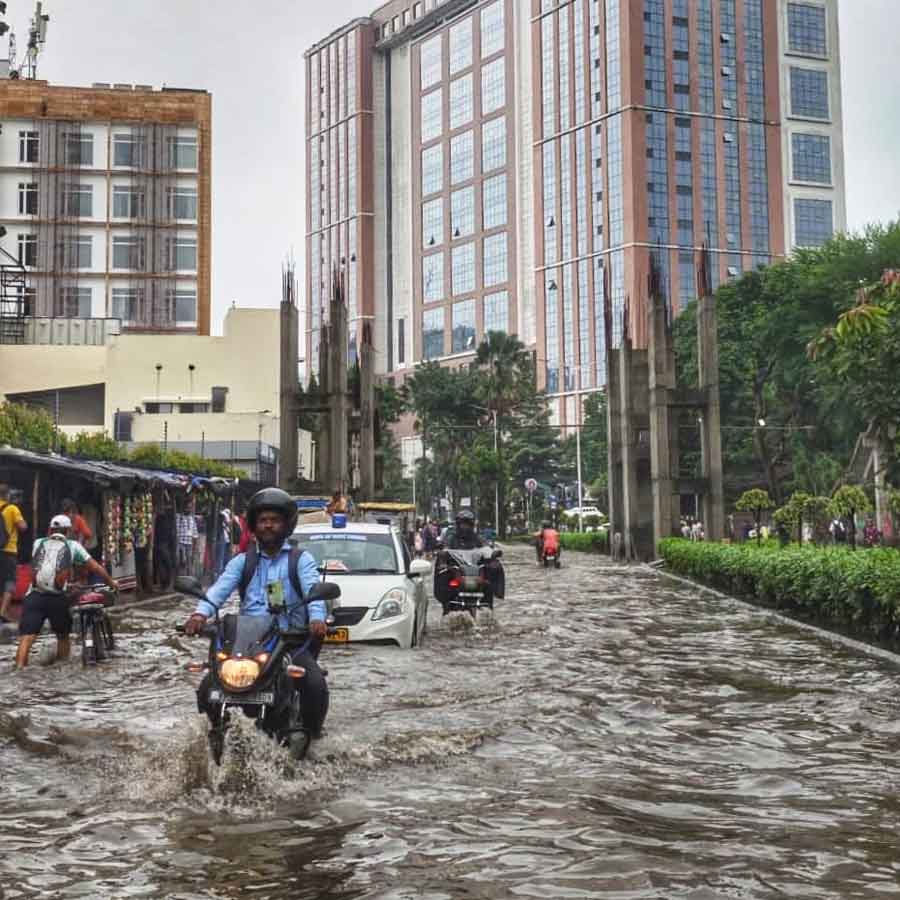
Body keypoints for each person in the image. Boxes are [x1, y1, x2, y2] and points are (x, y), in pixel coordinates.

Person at [183, 488, 330, 739]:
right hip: (249, 643)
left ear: (286, 525)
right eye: (263, 520)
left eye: (275, 520)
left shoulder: (300, 560)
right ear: (254, 525)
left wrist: (317, 619)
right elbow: (219, 589)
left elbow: (312, 590)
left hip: (288, 642)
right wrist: (200, 615)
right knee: (209, 686)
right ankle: (214, 734)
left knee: (314, 683)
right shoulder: (243, 561)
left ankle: (312, 737)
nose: (268, 526)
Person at [15, 514, 118, 668]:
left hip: (34, 595)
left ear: (50, 529)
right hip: (57, 598)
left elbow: (43, 567)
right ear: (68, 531)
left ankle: (19, 669)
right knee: (62, 636)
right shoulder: (73, 545)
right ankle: (61, 666)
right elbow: (95, 567)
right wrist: (111, 582)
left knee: (27, 637)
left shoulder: (38, 543)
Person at [0, 483, 28, 623]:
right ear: (7, 495)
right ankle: (3, 612)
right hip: (8, 550)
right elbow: (23, 527)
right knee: (9, 581)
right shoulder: (12, 508)